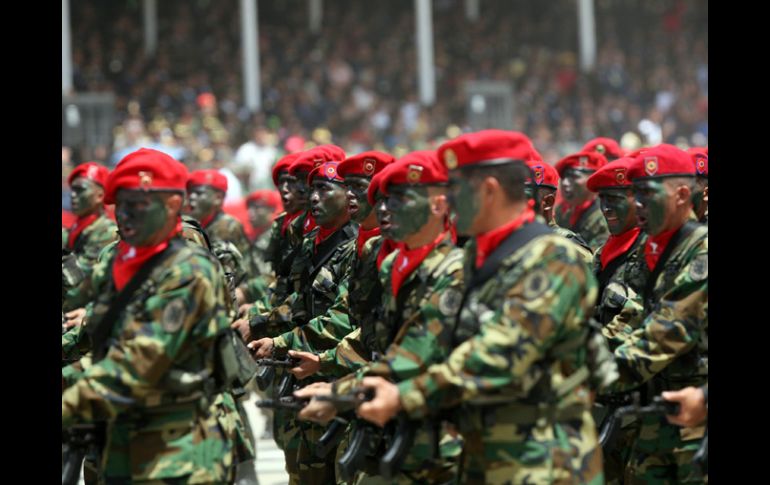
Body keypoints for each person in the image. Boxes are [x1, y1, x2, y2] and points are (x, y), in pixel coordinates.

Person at [354, 130, 604, 484]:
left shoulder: (553, 258)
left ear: (488, 190)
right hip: (485, 455)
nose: (449, 200)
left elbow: (498, 352)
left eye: (457, 188)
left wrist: (404, 396)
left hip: (545, 462)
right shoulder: (476, 256)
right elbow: (431, 334)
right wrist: (346, 391)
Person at [61, 148, 238, 483]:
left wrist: (69, 402)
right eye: (120, 205)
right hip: (121, 438)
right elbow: (95, 331)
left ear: (172, 205)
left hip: (178, 451)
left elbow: (140, 360)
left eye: (138, 204)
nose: (124, 215)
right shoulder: (119, 262)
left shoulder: (189, 271)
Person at [295, 151, 464, 483]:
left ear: (438, 205)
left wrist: (340, 392)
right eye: (383, 200)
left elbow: (412, 354)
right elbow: (374, 335)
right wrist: (325, 363)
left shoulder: (453, 271)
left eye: (399, 199)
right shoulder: (391, 264)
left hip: (437, 435)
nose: (385, 208)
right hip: (390, 420)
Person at [600, 144, 708, 483]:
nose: (638, 204)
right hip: (657, 419)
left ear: (681, 195)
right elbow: (631, 317)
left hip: (695, 423)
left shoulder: (700, 252)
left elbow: (663, 333)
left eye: (648, 194)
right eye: (635, 194)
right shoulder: (656, 251)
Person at [62, 162, 119, 314]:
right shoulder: (75, 230)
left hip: (84, 315)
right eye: (73, 189)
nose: (73, 195)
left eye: (80, 190)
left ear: (100, 196)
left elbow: (76, 280)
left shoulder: (107, 232)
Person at [554, 150, 611, 251]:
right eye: (564, 177)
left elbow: (597, 255)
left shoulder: (604, 215)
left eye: (574, 176)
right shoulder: (561, 211)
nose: (565, 183)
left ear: (592, 180)